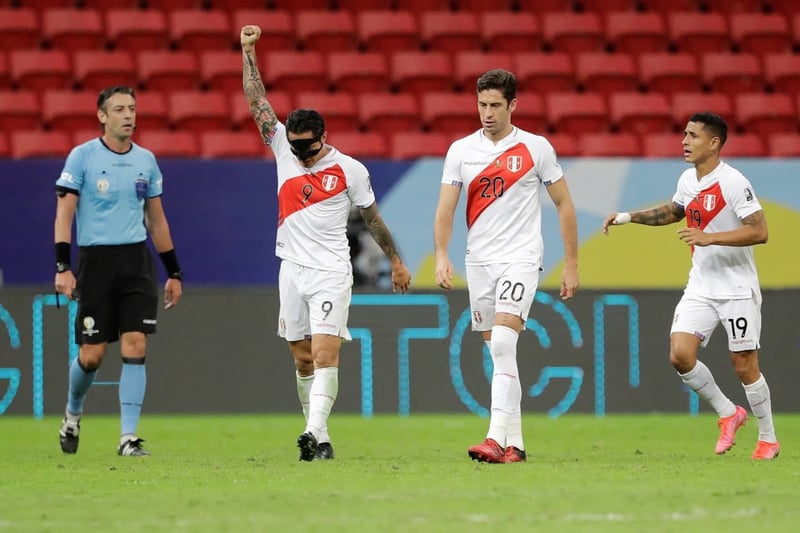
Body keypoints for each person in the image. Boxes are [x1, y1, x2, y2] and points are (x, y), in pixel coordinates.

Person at [240, 25, 412, 461]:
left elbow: (372, 217)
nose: (299, 154)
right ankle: (320, 436)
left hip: (332, 270)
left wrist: (395, 261)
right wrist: (248, 52)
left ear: (324, 136)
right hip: (291, 269)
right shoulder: (282, 146)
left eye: (307, 147)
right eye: (294, 147)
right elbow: (257, 102)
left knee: (325, 350)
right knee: (301, 359)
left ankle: (314, 431)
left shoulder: (351, 170)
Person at [602, 112, 779, 460]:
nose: (684, 141)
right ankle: (729, 413)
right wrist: (629, 217)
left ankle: (768, 438)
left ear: (713, 144)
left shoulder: (733, 182)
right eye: (685, 134)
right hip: (701, 284)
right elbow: (675, 211)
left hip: (737, 288)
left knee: (744, 365)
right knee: (680, 355)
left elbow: (760, 231)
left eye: (693, 136)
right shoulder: (688, 179)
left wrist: (709, 237)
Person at [433, 69, 580, 464]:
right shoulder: (461, 150)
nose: (487, 113)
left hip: (521, 257)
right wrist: (443, 254)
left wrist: (571, 263)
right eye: (482, 104)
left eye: (496, 105)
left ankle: (495, 438)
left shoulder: (536, 148)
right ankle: (516, 445)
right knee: (501, 353)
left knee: (501, 342)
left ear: (513, 105)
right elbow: (446, 207)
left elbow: (564, 204)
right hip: (478, 262)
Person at [54, 85, 184, 457]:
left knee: (136, 344)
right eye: (120, 109)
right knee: (92, 354)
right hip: (95, 263)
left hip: (135, 263)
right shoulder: (82, 158)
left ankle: (128, 438)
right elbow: (64, 215)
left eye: (132, 108)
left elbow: (156, 221)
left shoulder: (146, 160)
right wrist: (62, 266)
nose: (128, 115)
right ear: (102, 116)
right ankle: (72, 414)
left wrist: (173, 272)